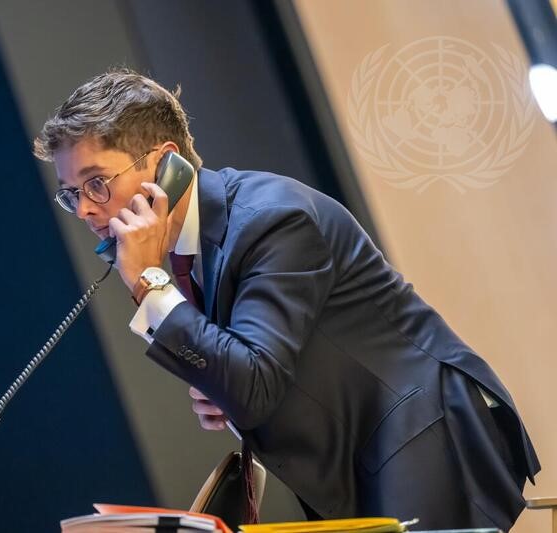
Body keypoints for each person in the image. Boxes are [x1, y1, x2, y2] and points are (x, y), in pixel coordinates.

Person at [32, 68, 539, 531]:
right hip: (363, 453)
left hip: (427, 435)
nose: (85, 211)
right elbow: (258, 381)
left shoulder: (271, 219)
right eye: (71, 193)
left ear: (166, 163)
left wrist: (147, 281)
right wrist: (224, 398)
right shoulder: (194, 249)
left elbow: (254, 381)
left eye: (97, 183)